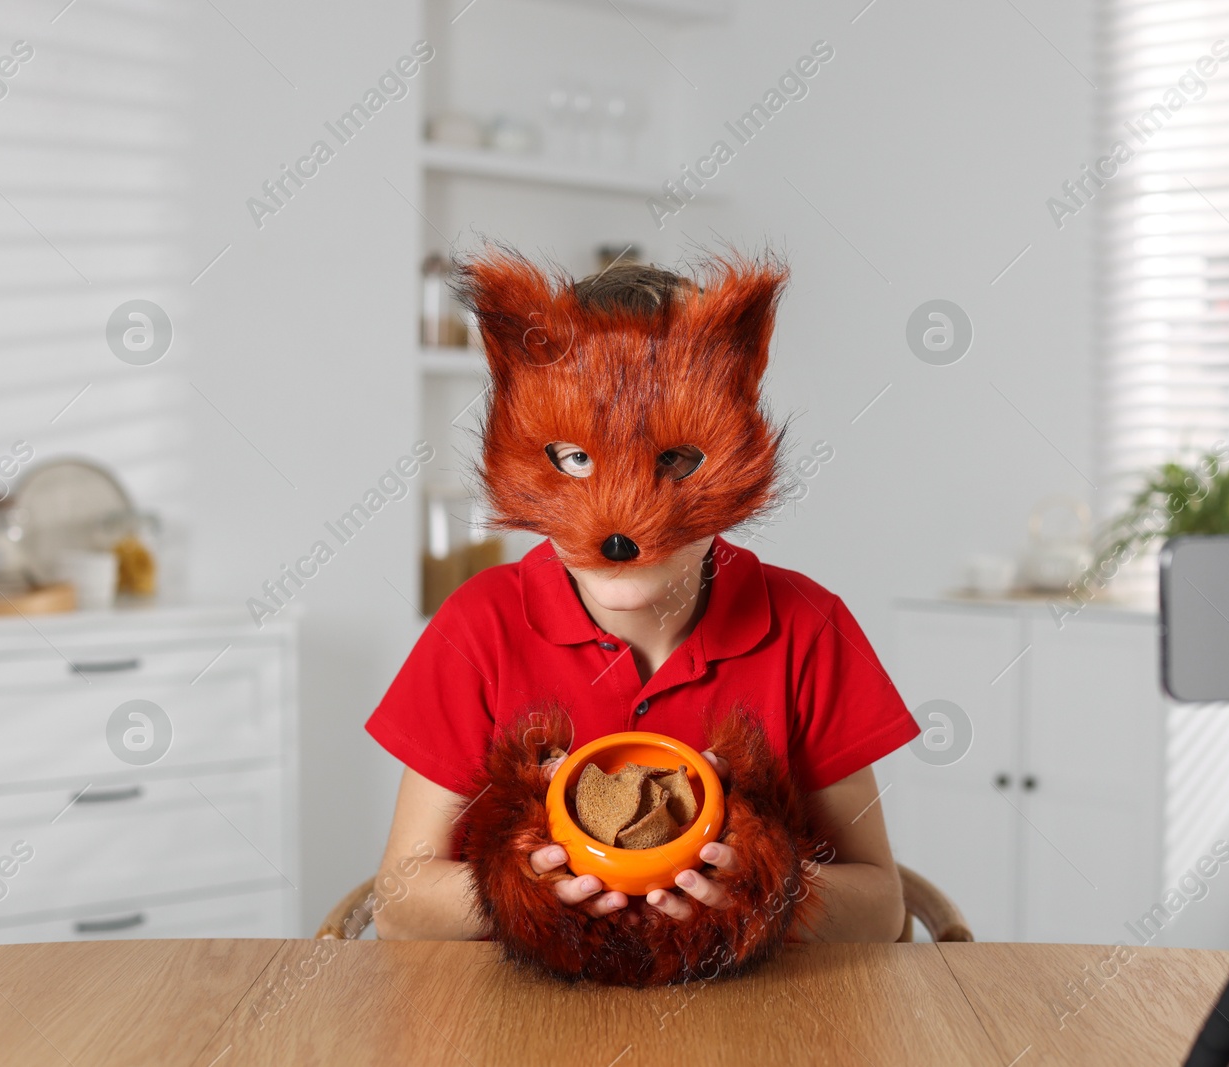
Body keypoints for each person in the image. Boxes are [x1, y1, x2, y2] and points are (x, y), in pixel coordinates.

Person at [364, 251, 919, 945]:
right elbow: (397, 902)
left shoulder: (807, 627)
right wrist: (525, 893)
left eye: (676, 461)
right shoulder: (479, 624)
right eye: (576, 459)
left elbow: (880, 908)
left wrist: (768, 889)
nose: (620, 528)